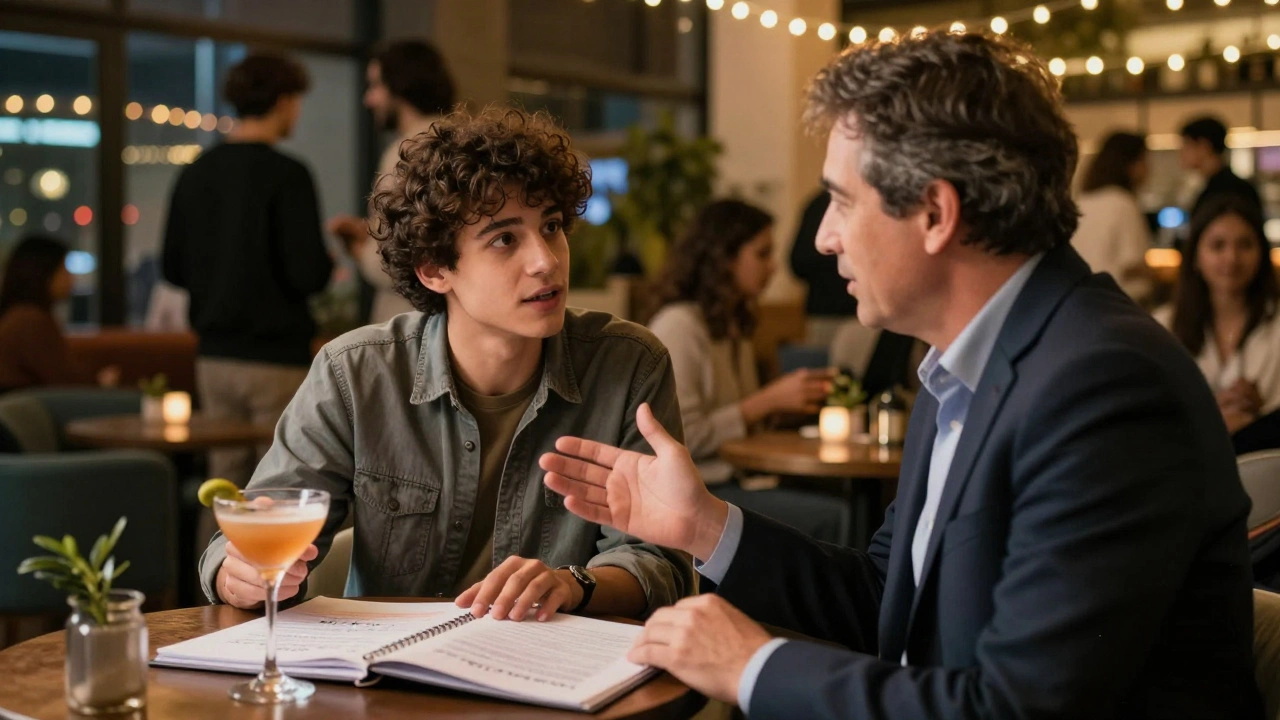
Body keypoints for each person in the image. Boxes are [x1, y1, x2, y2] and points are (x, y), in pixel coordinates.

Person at [541, 31, 1261, 719]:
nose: (823, 237)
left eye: (841, 201)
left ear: (935, 213)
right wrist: (703, 524)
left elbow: (1020, 709)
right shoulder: (966, 364)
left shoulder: (1105, 387)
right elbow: (885, 597)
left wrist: (752, 666)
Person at [200, 107, 694, 624]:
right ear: (435, 269)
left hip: (549, 682)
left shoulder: (629, 364)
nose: (546, 260)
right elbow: (245, 542)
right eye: (505, 238)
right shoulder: (355, 375)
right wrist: (237, 574)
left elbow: (659, 563)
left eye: (550, 226)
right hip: (388, 681)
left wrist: (572, 584)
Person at [162, 53, 333, 488]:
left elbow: (173, 267)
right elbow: (307, 274)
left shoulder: (195, 172)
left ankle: (211, 560)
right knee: (280, 486)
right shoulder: (289, 174)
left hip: (214, 356)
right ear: (282, 101)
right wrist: (331, 260)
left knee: (222, 485)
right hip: (276, 360)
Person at [648, 199, 847, 543]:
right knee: (834, 516)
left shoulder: (732, 324)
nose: (773, 268)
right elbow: (682, 438)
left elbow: (739, 421)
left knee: (841, 491)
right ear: (723, 258)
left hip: (741, 479)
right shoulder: (679, 326)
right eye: (762, 254)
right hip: (704, 491)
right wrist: (767, 402)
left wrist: (787, 407)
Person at [328, 40, 455, 325]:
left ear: (400, 87)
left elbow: (391, 262)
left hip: (408, 321)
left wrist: (360, 249)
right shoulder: (462, 143)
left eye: (375, 86)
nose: (369, 99)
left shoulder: (405, 151)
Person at [1157, 196, 1280, 454]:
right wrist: (1210, 412)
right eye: (1217, 246)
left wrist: (1259, 418)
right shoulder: (1161, 326)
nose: (1232, 258)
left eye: (1245, 245)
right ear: (1195, 256)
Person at [0, 235, 119, 392]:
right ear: (44, 274)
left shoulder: (20, 315)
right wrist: (101, 382)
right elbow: (68, 383)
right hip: (24, 411)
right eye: (64, 270)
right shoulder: (29, 321)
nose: (71, 278)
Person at [1072, 131, 1155, 304]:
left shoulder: (1082, 201)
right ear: (1130, 165)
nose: (1148, 169)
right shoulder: (1123, 203)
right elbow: (1131, 263)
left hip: (1084, 301)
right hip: (1121, 302)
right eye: (1144, 160)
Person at [790, 190, 859, 346]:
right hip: (826, 315)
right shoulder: (819, 204)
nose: (823, 242)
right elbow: (798, 262)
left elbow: (798, 263)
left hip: (858, 317)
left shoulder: (819, 203)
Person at [1180, 115, 1263, 221]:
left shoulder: (1226, 191)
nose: (1181, 153)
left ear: (1204, 146)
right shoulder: (1225, 186)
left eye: (1186, 145)